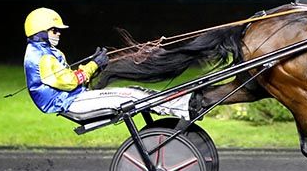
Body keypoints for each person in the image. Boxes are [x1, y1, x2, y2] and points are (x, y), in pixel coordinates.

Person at [23, 7, 190, 118]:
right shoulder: (41, 56)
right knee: (132, 95)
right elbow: (69, 81)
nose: (59, 34)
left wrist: (93, 65)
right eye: (55, 30)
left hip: (73, 98)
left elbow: (68, 77)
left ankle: (183, 103)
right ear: (41, 32)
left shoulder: (45, 52)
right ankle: (184, 106)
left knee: (134, 91)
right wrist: (94, 64)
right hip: (70, 102)